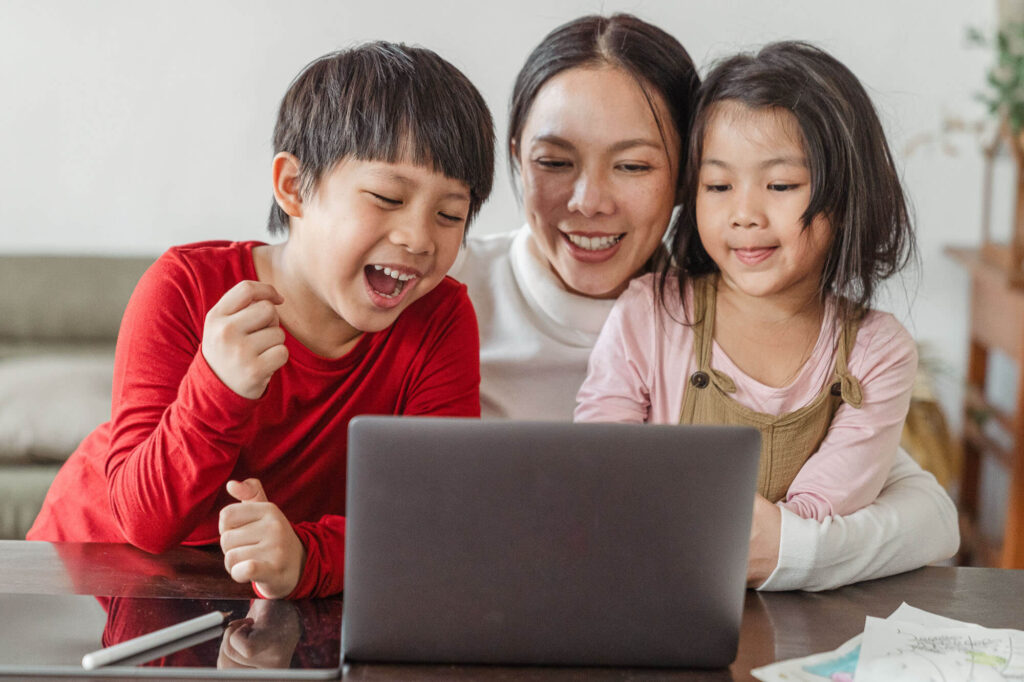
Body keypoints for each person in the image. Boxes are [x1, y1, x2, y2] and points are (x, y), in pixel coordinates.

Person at [452, 14, 958, 589]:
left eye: (634, 165)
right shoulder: (437, 292)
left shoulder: (727, 316)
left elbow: (932, 521)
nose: (588, 201)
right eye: (553, 161)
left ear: (682, 177)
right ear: (516, 156)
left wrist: (786, 549)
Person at [28, 42, 495, 600]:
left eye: (450, 214)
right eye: (387, 197)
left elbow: (436, 525)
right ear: (294, 188)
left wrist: (306, 557)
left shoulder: (440, 319)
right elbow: (143, 521)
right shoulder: (184, 287)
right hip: (93, 573)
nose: (419, 239)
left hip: (263, 596)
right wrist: (218, 386)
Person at [576, 40, 916, 523]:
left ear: (846, 194)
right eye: (718, 186)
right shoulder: (649, 312)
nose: (744, 215)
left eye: (780, 186)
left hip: (805, 591)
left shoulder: (878, 352)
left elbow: (816, 522)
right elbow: (599, 470)